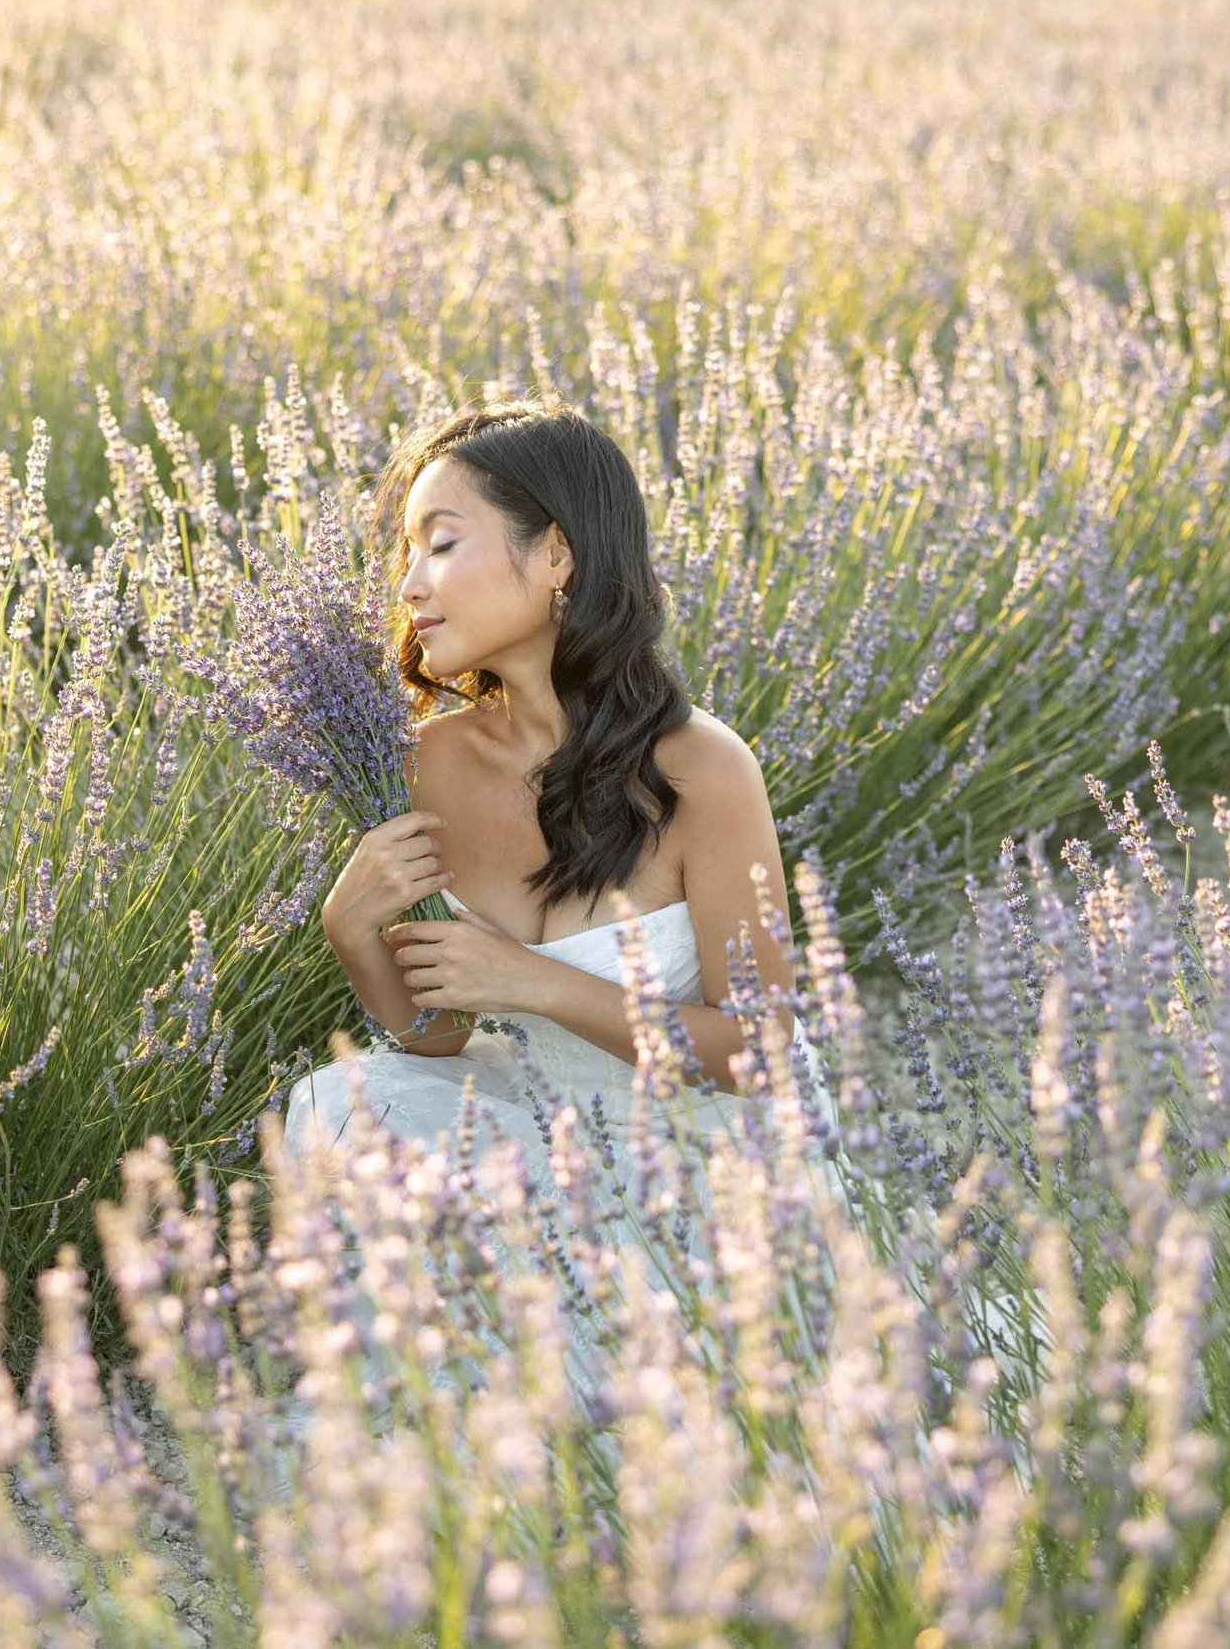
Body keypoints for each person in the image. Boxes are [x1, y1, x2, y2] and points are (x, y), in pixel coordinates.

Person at [258, 394, 844, 1494]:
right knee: (347, 1105)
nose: (409, 583)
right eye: (403, 552)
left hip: (696, 1152)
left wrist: (530, 981)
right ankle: (443, 1469)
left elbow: (757, 1050)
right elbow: (435, 1038)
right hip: (520, 1130)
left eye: (442, 541)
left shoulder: (701, 769)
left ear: (557, 555)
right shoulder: (416, 764)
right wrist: (353, 930)